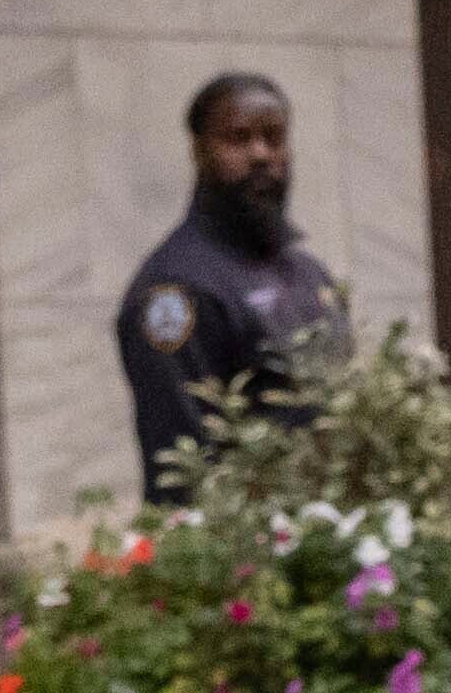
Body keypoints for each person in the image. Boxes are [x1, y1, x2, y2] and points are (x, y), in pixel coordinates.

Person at [119, 69, 350, 491]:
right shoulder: (176, 291)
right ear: (199, 151)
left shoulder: (308, 273)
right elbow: (186, 469)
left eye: (274, 138)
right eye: (238, 139)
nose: (261, 154)